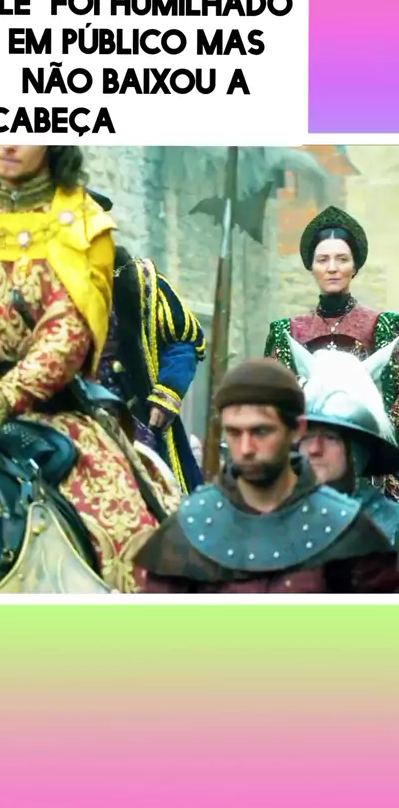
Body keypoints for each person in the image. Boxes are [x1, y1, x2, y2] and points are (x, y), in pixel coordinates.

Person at [0, 144, 181, 593]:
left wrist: (4, 396)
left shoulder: (86, 226)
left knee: (126, 534)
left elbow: (69, 331)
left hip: (51, 411)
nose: (8, 143)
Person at [134, 357, 399, 593]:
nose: (246, 449)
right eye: (235, 432)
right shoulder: (191, 524)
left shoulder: (354, 529)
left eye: (261, 431)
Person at [264, 205, 399, 499]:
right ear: (311, 266)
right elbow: (276, 404)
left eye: (342, 259)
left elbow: (395, 402)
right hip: (306, 458)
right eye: (323, 260)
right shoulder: (287, 332)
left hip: (372, 461)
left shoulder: (385, 326)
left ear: (355, 266)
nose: (332, 268)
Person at [95, 228, 205, 494]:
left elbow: (184, 341)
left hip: (133, 414)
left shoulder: (142, 281)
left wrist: (167, 392)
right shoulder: (44, 280)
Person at [288, 333, 399, 551]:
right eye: (307, 435)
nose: (314, 449)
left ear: (360, 449)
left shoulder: (392, 528)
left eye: (331, 437)